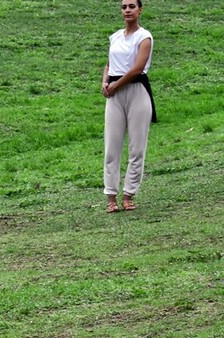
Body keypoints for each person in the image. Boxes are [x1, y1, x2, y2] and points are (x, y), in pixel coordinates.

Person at [102, 0, 154, 213]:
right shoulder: (115, 37)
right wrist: (105, 82)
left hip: (136, 92)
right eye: (124, 7)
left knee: (137, 146)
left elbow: (137, 68)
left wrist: (115, 85)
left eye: (132, 6)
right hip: (114, 94)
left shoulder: (144, 37)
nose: (127, 10)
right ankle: (111, 197)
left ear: (140, 10)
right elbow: (108, 64)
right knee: (111, 146)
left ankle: (128, 194)